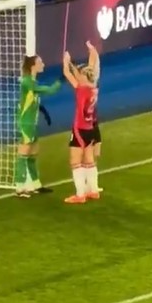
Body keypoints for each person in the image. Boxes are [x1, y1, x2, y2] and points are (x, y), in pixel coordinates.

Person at [16, 55, 62, 198]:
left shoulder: (32, 82)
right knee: (23, 154)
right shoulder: (27, 82)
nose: (43, 63)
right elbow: (49, 91)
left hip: (33, 123)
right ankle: (20, 187)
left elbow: (31, 101)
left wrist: (43, 111)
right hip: (26, 124)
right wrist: (61, 80)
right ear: (33, 66)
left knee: (32, 155)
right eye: (40, 62)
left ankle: (36, 185)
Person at [63, 47, 101, 204]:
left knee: (75, 162)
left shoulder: (81, 89)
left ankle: (80, 195)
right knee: (89, 160)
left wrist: (67, 62)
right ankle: (93, 190)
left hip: (79, 129)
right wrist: (92, 50)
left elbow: (68, 74)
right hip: (90, 129)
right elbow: (91, 66)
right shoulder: (93, 88)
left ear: (84, 76)